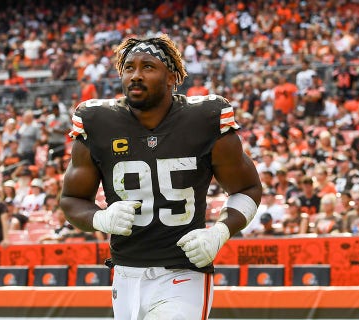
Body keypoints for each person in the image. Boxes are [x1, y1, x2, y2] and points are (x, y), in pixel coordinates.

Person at [60, 34, 262, 319]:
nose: (136, 76)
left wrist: (219, 232)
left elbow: (249, 188)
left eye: (148, 67)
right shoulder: (97, 121)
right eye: (129, 68)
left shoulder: (204, 118)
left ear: (171, 77)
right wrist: (100, 218)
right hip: (125, 275)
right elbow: (71, 199)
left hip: (183, 273)